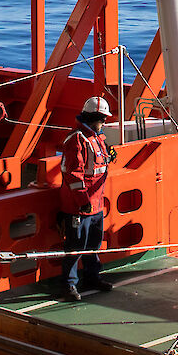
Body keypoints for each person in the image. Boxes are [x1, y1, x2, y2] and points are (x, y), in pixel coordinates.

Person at [57, 97, 115, 301]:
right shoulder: (77, 139)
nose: (105, 122)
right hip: (80, 206)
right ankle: (69, 284)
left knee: (93, 244)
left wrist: (109, 155)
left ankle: (92, 277)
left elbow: (96, 165)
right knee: (75, 246)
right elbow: (73, 174)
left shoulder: (95, 137)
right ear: (95, 118)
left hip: (95, 204)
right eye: (103, 119)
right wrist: (82, 200)